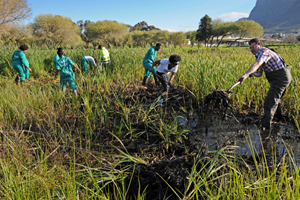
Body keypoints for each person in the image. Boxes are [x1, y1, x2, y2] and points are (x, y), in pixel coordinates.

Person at [236, 38, 292, 130]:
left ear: (260, 45)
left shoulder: (264, 52)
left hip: (280, 78)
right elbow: (259, 73)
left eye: (254, 47)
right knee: (276, 99)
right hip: (281, 78)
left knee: (269, 103)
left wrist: (245, 74)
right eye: (250, 48)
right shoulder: (261, 54)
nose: (252, 49)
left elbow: (257, 64)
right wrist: (251, 74)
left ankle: (265, 129)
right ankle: (278, 119)